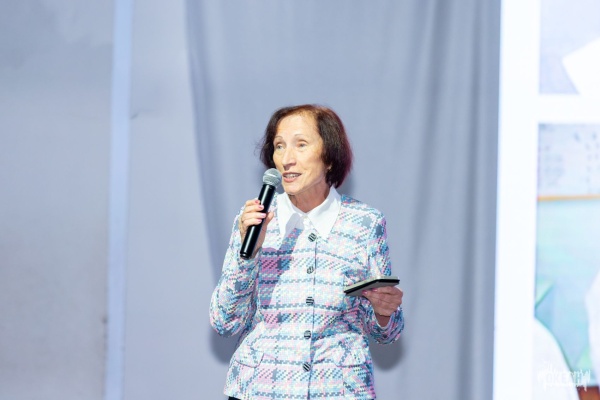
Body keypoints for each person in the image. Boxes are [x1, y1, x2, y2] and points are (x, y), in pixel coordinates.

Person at [210, 104, 404, 400]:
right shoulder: (254, 220)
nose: (287, 159)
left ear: (329, 157)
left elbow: (387, 334)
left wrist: (384, 312)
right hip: (260, 390)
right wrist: (248, 255)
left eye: (301, 145)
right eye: (279, 146)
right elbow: (225, 322)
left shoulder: (365, 224)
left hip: (337, 391)